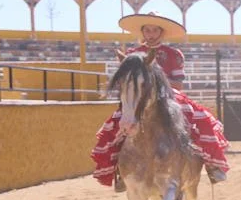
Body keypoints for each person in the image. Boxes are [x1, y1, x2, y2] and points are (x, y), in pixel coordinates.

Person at [91, 13, 230, 190]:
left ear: (161, 32)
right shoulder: (131, 54)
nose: (150, 34)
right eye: (147, 30)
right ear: (142, 32)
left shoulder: (173, 54)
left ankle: (212, 165)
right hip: (138, 96)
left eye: (154, 30)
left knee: (200, 117)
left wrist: (156, 85)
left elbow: (178, 84)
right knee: (114, 126)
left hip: (168, 95)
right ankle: (119, 169)